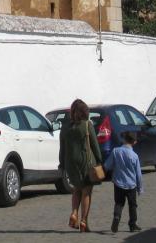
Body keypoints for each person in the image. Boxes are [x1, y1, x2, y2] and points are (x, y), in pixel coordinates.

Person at [59, 99, 103, 233]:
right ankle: (83, 221)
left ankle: (74, 213)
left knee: (77, 189)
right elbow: (94, 145)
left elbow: (62, 149)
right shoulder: (87, 125)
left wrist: (62, 164)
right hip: (86, 162)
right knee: (86, 192)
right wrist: (100, 160)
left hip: (70, 163)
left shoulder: (65, 128)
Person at [104, 131, 143, 233]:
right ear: (134, 142)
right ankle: (132, 224)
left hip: (118, 183)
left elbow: (107, 165)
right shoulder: (135, 156)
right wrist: (140, 188)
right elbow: (138, 174)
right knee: (132, 205)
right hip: (131, 185)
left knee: (119, 203)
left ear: (124, 139)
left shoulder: (116, 151)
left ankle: (117, 217)